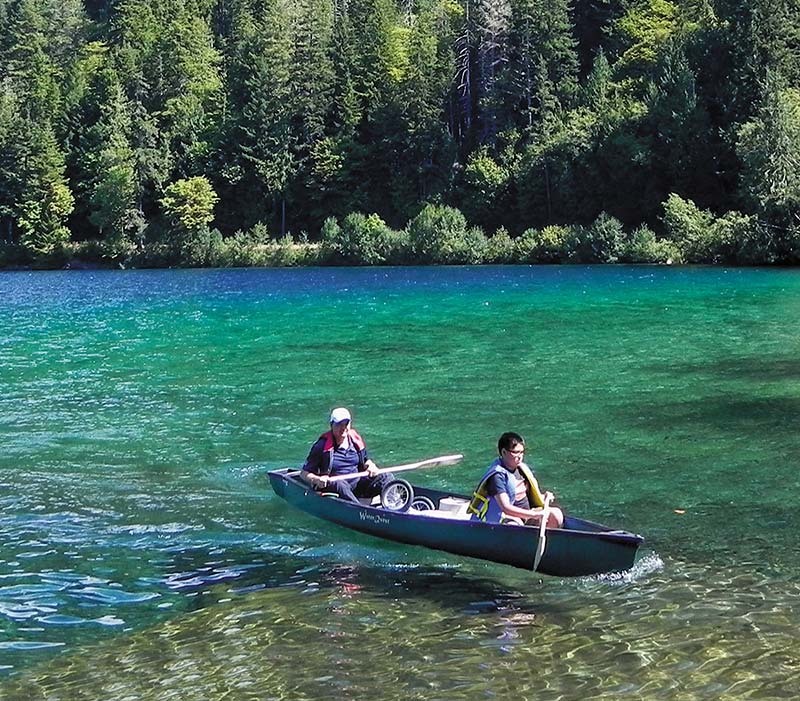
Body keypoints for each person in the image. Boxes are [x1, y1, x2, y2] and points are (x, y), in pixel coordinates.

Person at [468, 432, 564, 528]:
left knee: (556, 514)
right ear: (504, 452)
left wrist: (544, 497)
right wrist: (533, 515)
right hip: (509, 517)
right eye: (515, 452)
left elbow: (524, 494)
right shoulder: (497, 476)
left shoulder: (521, 469)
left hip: (529, 513)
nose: (520, 456)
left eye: (522, 452)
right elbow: (506, 508)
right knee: (513, 526)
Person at [300, 407, 392, 504]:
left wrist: (371, 466)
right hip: (336, 486)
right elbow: (304, 473)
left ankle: (396, 503)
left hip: (357, 485)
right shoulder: (321, 446)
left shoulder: (355, 441)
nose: (343, 428)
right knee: (340, 484)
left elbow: (366, 461)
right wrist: (317, 480)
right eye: (339, 424)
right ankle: (359, 509)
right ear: (332, 425)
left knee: (386, 476)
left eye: (346, 424)